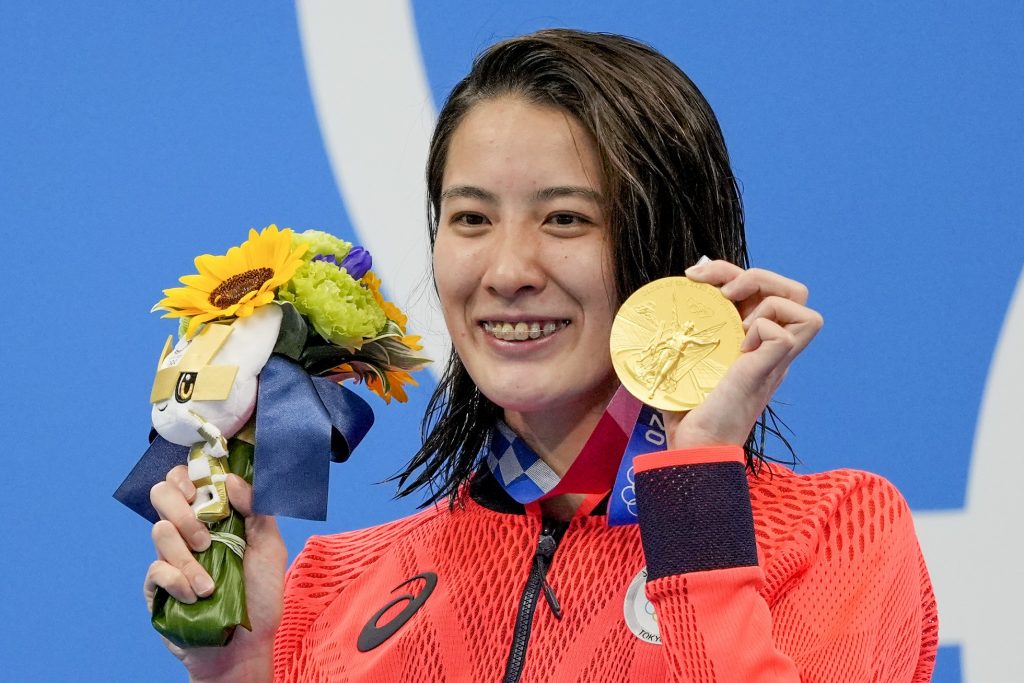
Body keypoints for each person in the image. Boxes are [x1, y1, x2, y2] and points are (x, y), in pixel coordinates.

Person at [144, 29, 938, 682]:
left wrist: (696, 488)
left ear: (668, 248)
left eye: (564, 219)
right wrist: (250, 669)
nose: (508, 271)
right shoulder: (336, 587)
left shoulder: (836, 537)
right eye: (470, 219)